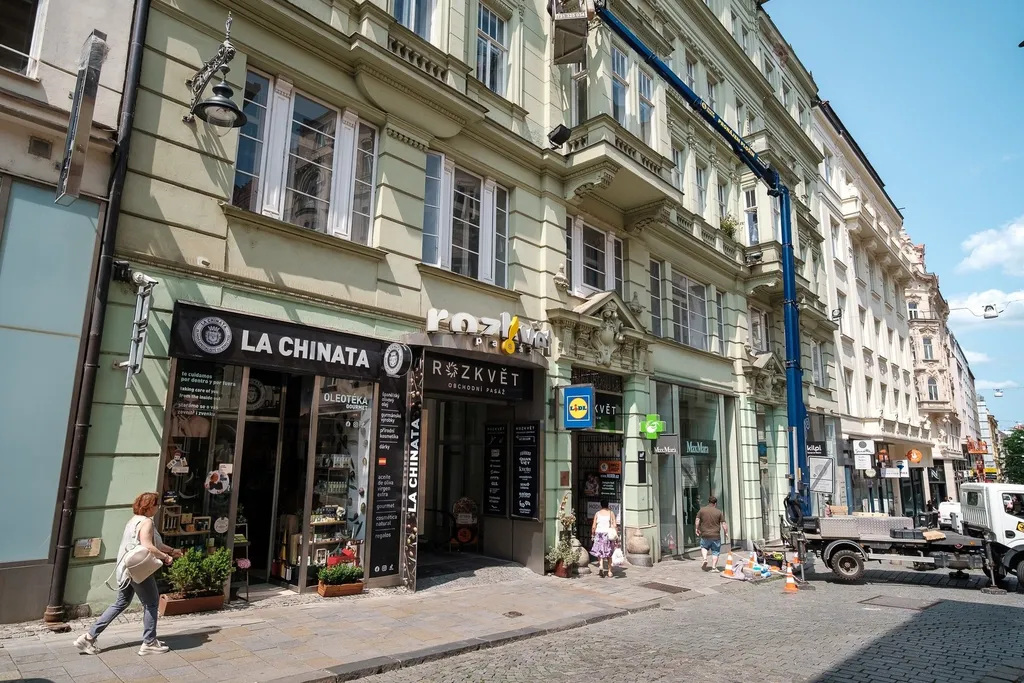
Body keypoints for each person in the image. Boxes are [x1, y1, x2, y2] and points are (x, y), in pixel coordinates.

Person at [74, 492, 182, 656]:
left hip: (126, 570)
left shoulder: (134, 521)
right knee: (152, 603)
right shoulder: (146, 522)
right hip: (138, 570)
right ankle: (149, 643)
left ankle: (88, 637)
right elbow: (148, 546)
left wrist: (172, 551)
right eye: (157, 505)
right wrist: (166, 557)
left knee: (121, 603)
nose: (158, 508)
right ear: (150, 507)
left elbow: (156, 544)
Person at [695, 496, 728, 572]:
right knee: (715, 551)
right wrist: (726, 532)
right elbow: (723, 524)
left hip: (705, 534)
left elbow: (697, 520)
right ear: (715, 503)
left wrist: (697, 528)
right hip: (716, 536)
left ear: (708, 502)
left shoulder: (702, 510)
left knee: (704, 547)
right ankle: (714, 567)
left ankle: (705, 559)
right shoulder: (718, 512)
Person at [590, 500, 618, 578]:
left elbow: (593, 526)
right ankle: (609, 572)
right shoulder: (611, 513)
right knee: (609, 553)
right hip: (608, 535)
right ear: (608, 505)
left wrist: (592, 534)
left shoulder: (597, 513)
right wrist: (616, 535)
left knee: (600, 551)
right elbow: (615, 525)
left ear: (601, 505)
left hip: (599, 534)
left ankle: (601, 565)